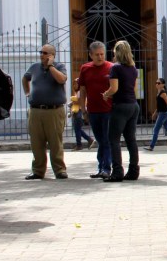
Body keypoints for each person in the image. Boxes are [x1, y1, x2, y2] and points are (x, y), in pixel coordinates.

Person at [22, 44, 68, 179]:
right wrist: (27, 93)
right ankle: (38, 170)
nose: (42, 55)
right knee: (36, 142)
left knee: (55, 142)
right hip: (35, 110)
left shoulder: (59, 67)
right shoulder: (34, 67)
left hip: (54, 110)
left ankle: (59, 170)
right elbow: (25, 78)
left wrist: (51, 66)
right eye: (41, 52)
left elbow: (61, 79)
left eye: (46, 53)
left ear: (53, 55)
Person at [102, 40, 139, 182]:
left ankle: (117, 172)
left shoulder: (115, 68)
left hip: (120, 106)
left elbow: (114, 88)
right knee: (131, 139)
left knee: (114, 139)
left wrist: (106, 94)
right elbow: (134, 88)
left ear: (116, 52)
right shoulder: (133, 68)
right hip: (133, 105)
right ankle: (133, 171)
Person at [78, 41, 113, 179]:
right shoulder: (85, 69)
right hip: (93, 111)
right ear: (90, 55)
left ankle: (106, 168)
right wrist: (83, 109)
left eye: (102, 54)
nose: (100, 57)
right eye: (97, 54)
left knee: (107, 140)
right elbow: (82, 90)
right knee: (100, 140)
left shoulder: (111, 67)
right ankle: (101, 167)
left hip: (108, 110)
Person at [145, 78, 167, 151]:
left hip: (164, 113)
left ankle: (151, 146)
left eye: (159, 83)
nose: (157, 84)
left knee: (156, 129)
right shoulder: (159, 92)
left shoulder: (163, 93)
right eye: (156, 82)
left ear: (163, 84)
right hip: (162, 113)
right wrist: (155, 113)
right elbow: (160, 105)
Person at [69, 78, 95, 151]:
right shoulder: (77, 92)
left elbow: (81, 101)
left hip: (79, 111)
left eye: (76, 83)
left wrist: (73, 102)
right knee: (77, 129)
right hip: (76, 111)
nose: (74, 85)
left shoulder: (81, 91)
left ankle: (79, 144)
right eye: (73, 84)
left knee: (77, 129)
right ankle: (89, 140)